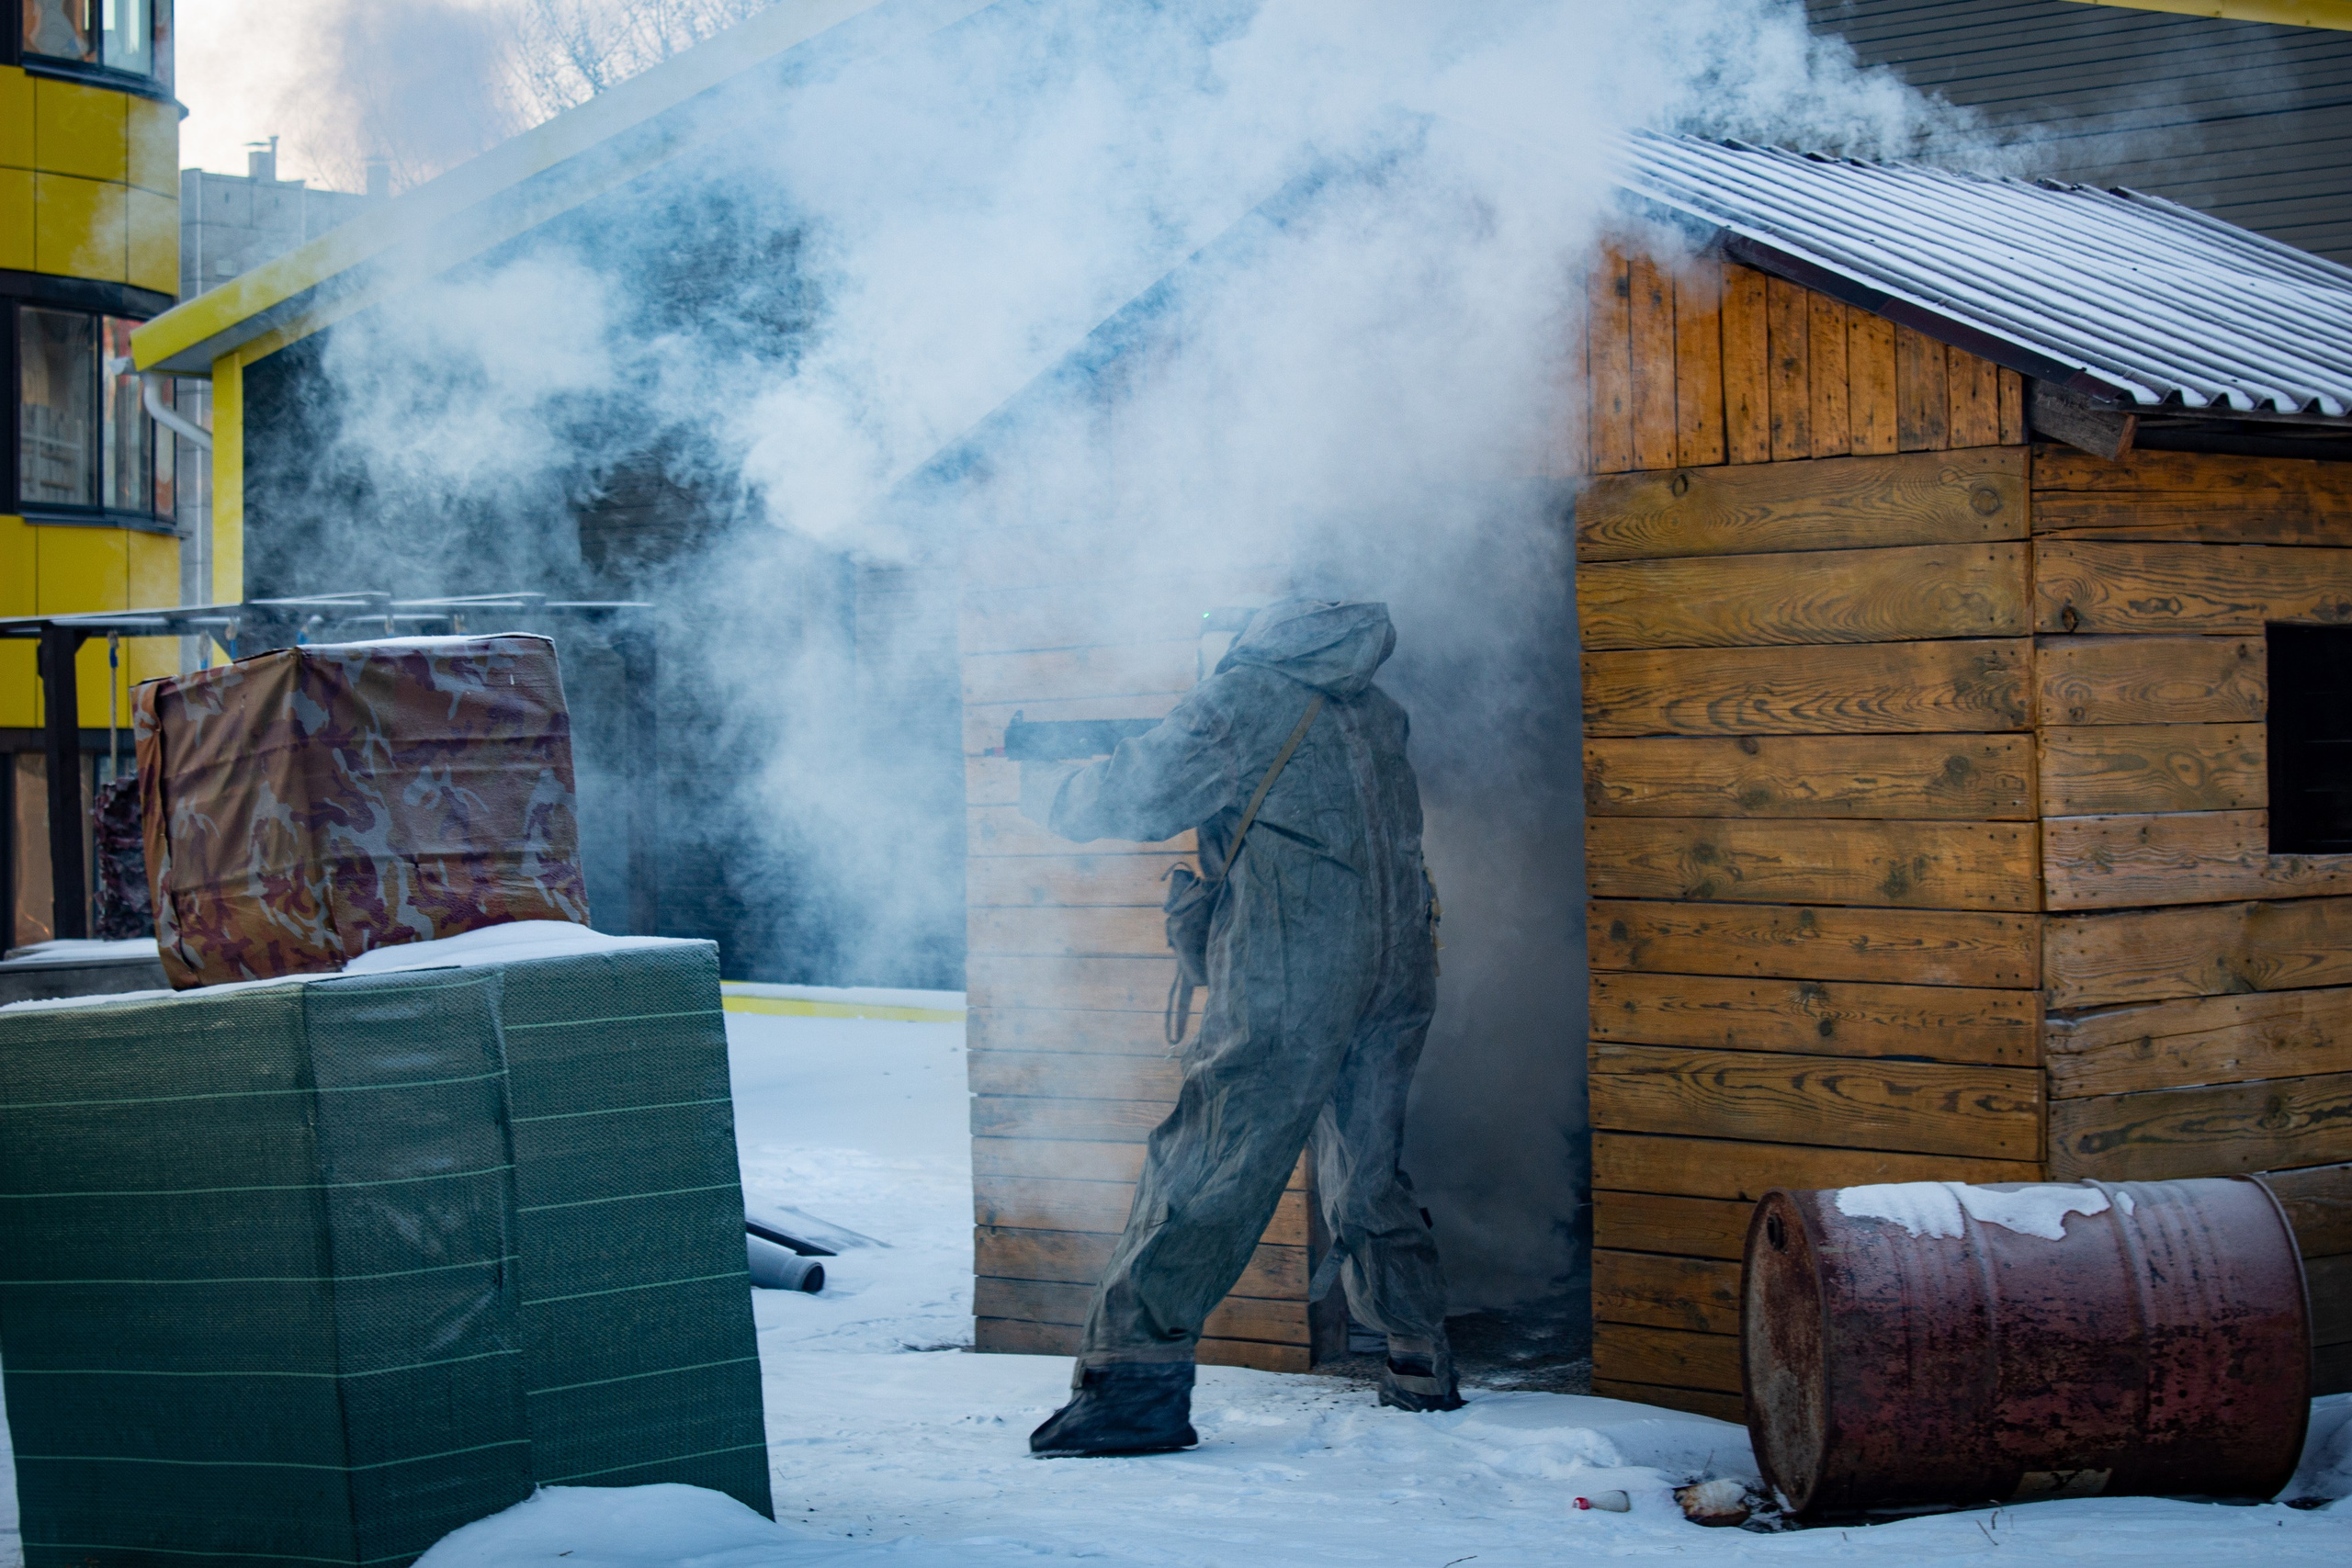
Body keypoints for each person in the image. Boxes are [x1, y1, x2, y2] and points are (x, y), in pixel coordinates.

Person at [1016, 599, 1458, 1459]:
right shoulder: (1376, 705)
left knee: (1210, 1158)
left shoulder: (1242, 698)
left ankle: (1133, 1387)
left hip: (1292, 972)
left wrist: (1045, 789)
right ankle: (1418, 1356)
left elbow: (1133, 794)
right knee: (1368, 1167)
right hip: (1399, 971)